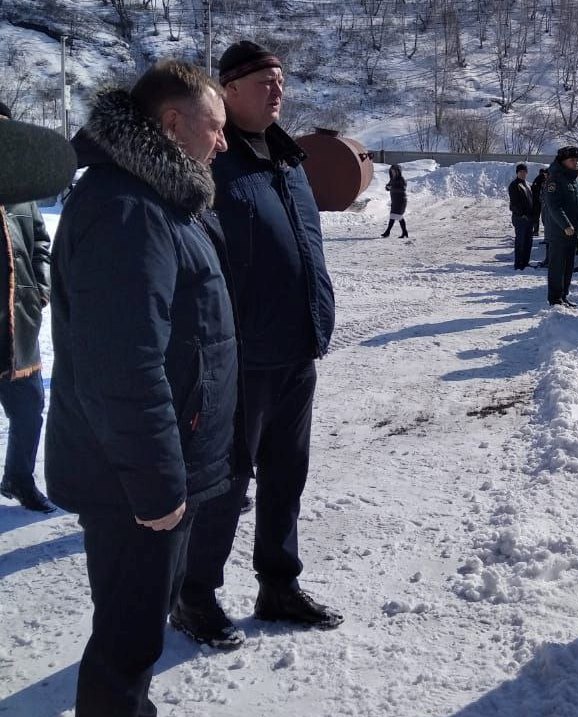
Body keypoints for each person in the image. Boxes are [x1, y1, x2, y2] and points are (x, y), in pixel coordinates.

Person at [45, 60, 235, 717]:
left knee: (139, 630)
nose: (223, 143)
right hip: (132, 479)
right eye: (214, 127)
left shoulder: (159, 200)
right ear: (172, 122)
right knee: (125, 644)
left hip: (153, 467)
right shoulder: (126, 207)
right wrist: (156, 482)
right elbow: (121, 362)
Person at [172, 40, 342, 651]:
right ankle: (194, 598)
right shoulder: (210, 163)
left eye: (281, 80)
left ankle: (278, 585)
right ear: (229, 90)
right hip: (237, 358)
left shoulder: (290, 160)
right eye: (263, 80)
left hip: (298, 348)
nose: (277, 89)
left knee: (285, 477)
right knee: (223, 484)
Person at [0, 102, 55, 513]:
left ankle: (18, 478)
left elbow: (40, 241)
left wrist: (41, 288)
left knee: (30, 410)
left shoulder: (22, 188)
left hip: (18, 326)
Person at [541, 145, 578, 307]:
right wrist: (566, 225)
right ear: (563, 161)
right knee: (558, 266)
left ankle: (564, 295)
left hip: (573, 232)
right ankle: (555, 298)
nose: (576, 163)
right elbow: (553, 206)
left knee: (568, 265)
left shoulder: (575, 178)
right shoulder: (555, 179)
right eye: (572, 160)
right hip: (559, 232)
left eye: (577, 160)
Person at [507, 163, 534, 270]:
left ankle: (525, 262)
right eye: (520, 172)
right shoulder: (514, 185)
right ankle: (518, 264)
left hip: (529, 218)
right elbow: (514, 203)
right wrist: (522, 214)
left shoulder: (527, 185)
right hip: (520, 218)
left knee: (528, 241)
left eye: (524, 172)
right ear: (517, 173)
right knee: (520, 241)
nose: (523, 174)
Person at [382, 164, 408, 238]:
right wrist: (387, 187)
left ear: (398, 171)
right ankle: (404, 232)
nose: (393, 173)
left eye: (394, 171)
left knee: (395, 216)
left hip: (401, 200)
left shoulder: (401, 179)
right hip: (394, 200)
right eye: (392, 171)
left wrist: (392, 188)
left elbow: (403, 189)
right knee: (398, 216)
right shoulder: (392, 179)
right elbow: (388, 187)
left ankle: (388, 232)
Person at [530, 167, 547, 236]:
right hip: (542, 201)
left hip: (537, 201)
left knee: (536, 217)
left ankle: (536, 231)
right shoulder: (545, 180)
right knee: (544, 218)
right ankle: (546, 232)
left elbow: (533, 189)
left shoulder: (537, 179)